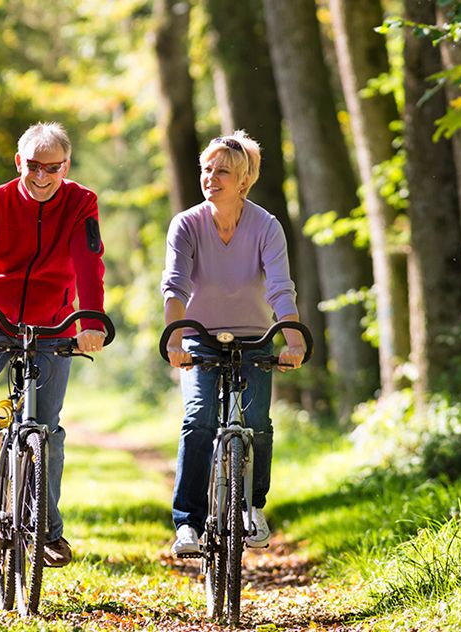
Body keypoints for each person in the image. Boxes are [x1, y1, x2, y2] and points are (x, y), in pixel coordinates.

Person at [0, 122, 107, 568]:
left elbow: (88, 263)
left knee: (47, 428)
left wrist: (90, 320)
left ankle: (48, 531)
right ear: (20, 162)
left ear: (66, 166)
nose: (41, 176)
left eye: (52, 168)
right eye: (33, 166)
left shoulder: (80, 202)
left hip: (54, 323)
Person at [160, 130, 307, 556]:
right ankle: (187, 523)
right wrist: (175, 337)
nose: (211, 177)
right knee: (199, 418)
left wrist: (293, 340)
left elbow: (281, 289)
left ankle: (253, 506)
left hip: (255, 338)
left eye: (222, 171)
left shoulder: (266, 226)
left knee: (257, 423)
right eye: (207, 169)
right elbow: (175, 287)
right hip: (201, 341)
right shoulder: (186, 224)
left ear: (243, 181)